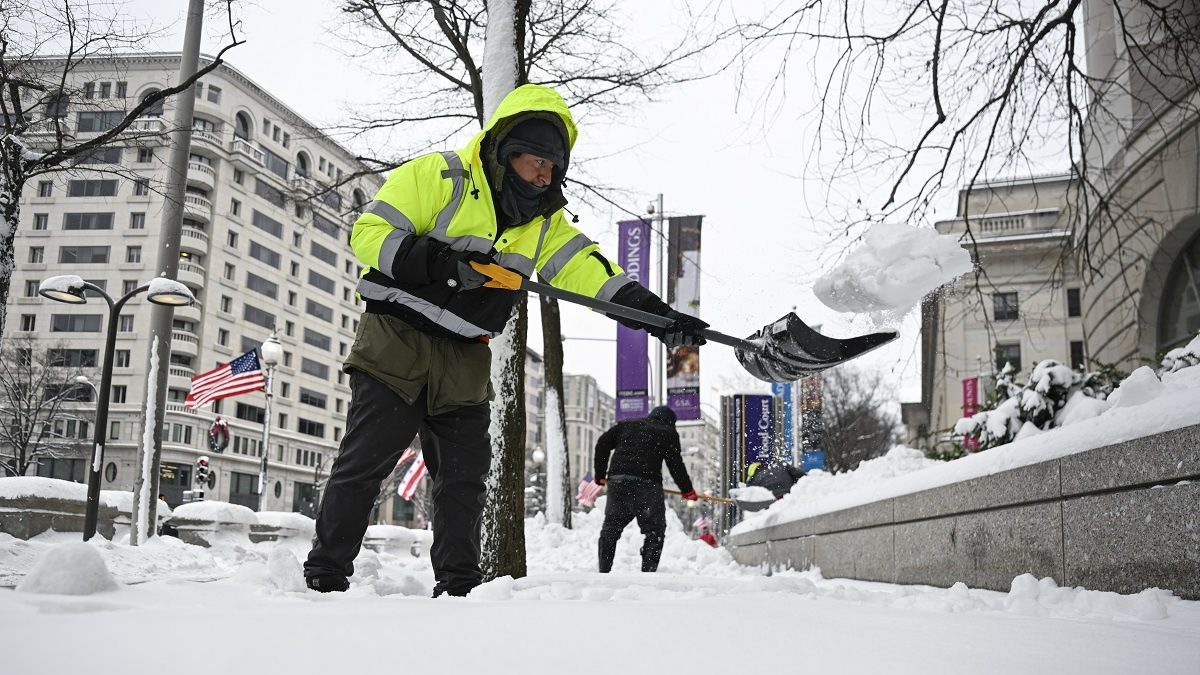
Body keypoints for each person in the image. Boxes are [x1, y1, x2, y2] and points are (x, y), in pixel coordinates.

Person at [303, 84, 707, 596]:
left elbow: (593, 274)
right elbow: (369, 233)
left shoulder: (545, 224)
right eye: (537, 160)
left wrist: (660, 318)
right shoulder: (438, 176)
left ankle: (459, 588)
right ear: (506, 150)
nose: (546, 173)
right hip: (396, 340)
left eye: (554, 165)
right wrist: (442, 264)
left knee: (465, 481)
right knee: (365, 465)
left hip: (467, 354)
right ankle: (326, 573)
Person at [593, 405, 698, 573]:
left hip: (618, 483)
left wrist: (599, 474)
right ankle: (647, 574)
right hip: (646, 486)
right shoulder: (667, 432)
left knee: (610, 529)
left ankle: (604, 571)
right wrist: (687, 490)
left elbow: (602, 443)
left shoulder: (628, 424)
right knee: (655, 531)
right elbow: (675, 464)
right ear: (671, 422)